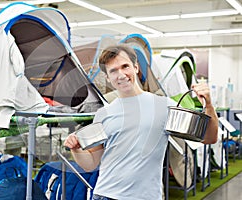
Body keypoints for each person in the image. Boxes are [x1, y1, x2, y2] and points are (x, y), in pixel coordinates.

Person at [64, 44, 218, 200]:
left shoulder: (164, 105)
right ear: (107, 78)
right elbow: (92, 163)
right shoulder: (103, 114)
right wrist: (76, 149)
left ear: (136, 67)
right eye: (113, 71)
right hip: (106, 195)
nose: (121, 74)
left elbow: (209, 138)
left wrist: (209, 105)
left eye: (125, 66)